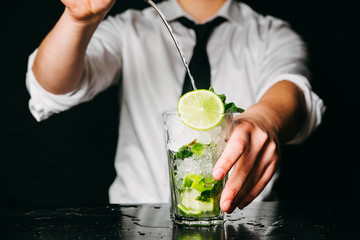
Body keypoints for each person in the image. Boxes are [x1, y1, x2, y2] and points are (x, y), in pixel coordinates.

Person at [26, 0, 325, 213]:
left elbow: (291, 87)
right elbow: (52, 87)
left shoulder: (271, 33)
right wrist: (78, 19)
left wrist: (265, 120)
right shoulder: (130, 27)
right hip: (136, 223)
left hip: (244, 224)